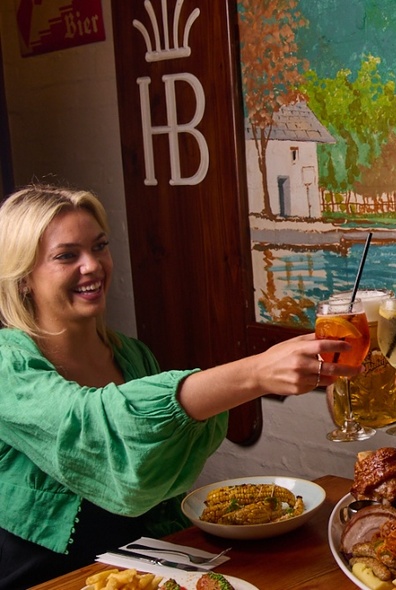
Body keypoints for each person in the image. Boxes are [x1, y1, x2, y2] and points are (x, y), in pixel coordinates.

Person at [0, 184, 359, 588]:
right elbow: (95, 425)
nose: (93, 266)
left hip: (142, 568)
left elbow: (155, 487)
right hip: (49, 576)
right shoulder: (6, 363)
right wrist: (255, 373)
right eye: (67, 255)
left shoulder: (131, 355)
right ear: (23, 277)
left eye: (99, 246)